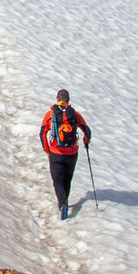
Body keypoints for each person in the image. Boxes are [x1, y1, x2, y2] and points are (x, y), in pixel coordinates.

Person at [40, 87, 91, 217]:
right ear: (68, 100)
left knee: (57, 181)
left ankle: (62, 204)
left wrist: (47, 149)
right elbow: (87, 131)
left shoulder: (50, 114)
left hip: (56, 152)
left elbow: (42, 133)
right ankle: (65, 202)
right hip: (72, 153)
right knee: (67, 179)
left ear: (57, 99)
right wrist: (85, 141)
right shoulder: (75, 114)